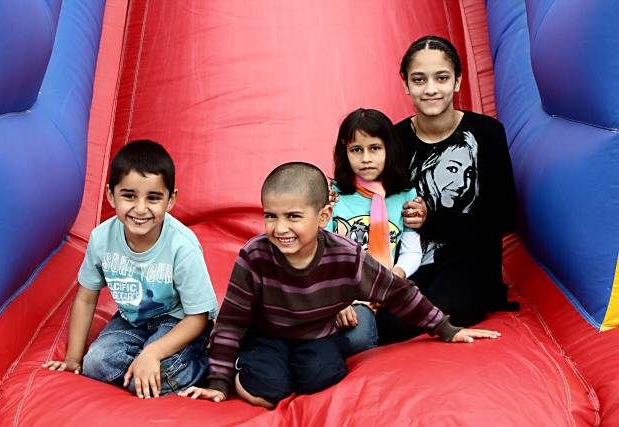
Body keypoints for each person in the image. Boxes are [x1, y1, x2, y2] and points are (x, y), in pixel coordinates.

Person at [178, 162, 500, 408]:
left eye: (293, 216)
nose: (280, 228)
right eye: (271, 216)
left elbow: (397, 292)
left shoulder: (345, 257)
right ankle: (244, 366)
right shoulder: (255, 256)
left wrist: (446, 328)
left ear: (323, 216)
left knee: (321, 378)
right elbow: (233, 320)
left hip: (318, 332)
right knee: (266, 390)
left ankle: (292, 366)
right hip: (268, 333)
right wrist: (219, 382)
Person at [43, 140, 219, 398]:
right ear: (110, 195)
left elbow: (198, 317)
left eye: (154, 198)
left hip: (179, 320)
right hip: (132, 318)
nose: (140, 208)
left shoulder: (183, 246)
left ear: (171, 200)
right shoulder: (102, 238)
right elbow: (86, 296)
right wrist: (73, 357)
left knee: (145, 382)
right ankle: (147, 365)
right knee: (96, 364)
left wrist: (152, 353)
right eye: (129, 196)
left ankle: (205, 363)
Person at [378, 35, 518, 344]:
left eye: (441, 78)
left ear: (457, 81)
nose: (430, 89)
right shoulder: (394, 141)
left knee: (443, 310)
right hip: (413, 260)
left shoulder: (486, 134)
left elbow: (505, 216)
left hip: (471, 262)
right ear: (405, 84)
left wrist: (432, 219)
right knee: (386, 320)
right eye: (419, 79)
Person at [329, 108, 422, 332]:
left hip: (387, 284)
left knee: (408, 321)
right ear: (345, 151)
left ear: (389, 149)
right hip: (343, 292)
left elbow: (411, 249)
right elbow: (323, 254)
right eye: (356, 150)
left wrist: (396, 275)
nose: (366, 159)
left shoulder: (405, 195)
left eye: (375, 148)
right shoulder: (333, 196)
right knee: (358, 333)